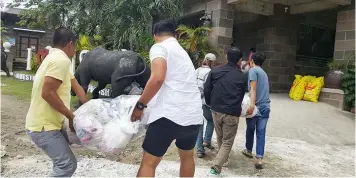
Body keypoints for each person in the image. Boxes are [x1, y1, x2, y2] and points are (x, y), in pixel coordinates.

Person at [130, 20, 203, 177]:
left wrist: (140, 105)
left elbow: (157, 78)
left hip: (169, 115)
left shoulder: (159, 47)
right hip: (194, 116)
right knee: (187, 157)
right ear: (175, 35)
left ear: (155, 36)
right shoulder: (182, 53)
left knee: (149, 163)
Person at [25, 27, 88, 177]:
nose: (76, 49)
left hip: (51, 124)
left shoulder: (55, 57)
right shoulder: (60, 60)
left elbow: (77, 87)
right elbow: (47, 93)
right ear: (70, 44)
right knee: (66, 165)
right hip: (44, 127)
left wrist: (89, 108)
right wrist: (71, 116)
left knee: (62, 162)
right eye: (76, 45)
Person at [204, 47, 246, 175]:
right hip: (232, 112)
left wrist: (209, 102)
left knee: (220, 136)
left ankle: (222, 158)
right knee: (227, 141)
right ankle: (216, 167)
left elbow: (207, 88)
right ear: (240, 60)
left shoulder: (215, 71)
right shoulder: (242, 76)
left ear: (227, 57)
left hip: (216, 109)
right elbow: (242, 94)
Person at [242, 52, 270, 169]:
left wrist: (252, 105)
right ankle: (259, 158)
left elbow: (253, 88)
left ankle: (248, 150)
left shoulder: (253, 71)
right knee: (261, 132)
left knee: (250, 129)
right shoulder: (264, 73)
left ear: (252, 61)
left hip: (256, 106)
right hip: (266, 106)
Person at [195, 53, 216, 158]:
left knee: (199, 124)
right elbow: (210, 88)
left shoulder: (197, 70)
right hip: (206, 102)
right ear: (212, 62)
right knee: (211, 120)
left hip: (196, 101)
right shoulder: (211, 72)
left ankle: (199, 150)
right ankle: (207, 140)